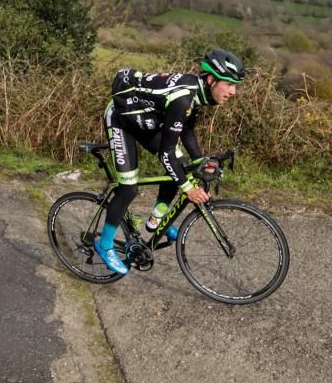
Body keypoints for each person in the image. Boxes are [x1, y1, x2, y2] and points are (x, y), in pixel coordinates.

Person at [97, 49, 245, 275]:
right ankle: (104, 245)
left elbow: (186, 130)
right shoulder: (183, 98)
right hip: (121, 119)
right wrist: (188, 189)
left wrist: (200, 160)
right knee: (128, 188)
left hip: (146, 119)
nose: (233, 91)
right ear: (211, 80)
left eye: (235, 85)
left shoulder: (197, 93)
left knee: (181, 164)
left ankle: (156, 220)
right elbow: (165, 152)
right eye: (229, 84)